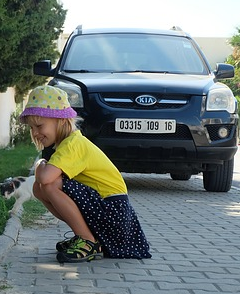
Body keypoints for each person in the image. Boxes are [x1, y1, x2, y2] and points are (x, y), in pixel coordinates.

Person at [19, 85, 151, 263]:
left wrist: (40, 163)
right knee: (39, 188)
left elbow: (45, 177)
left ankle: (88, 240)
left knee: (50, 184)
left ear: (60, 121)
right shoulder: (69, 143)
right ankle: (86, 236)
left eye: (39, 126)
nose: (35, 133)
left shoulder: (73, 144)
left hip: (113, 211)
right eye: (31, 128)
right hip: (111, 212)